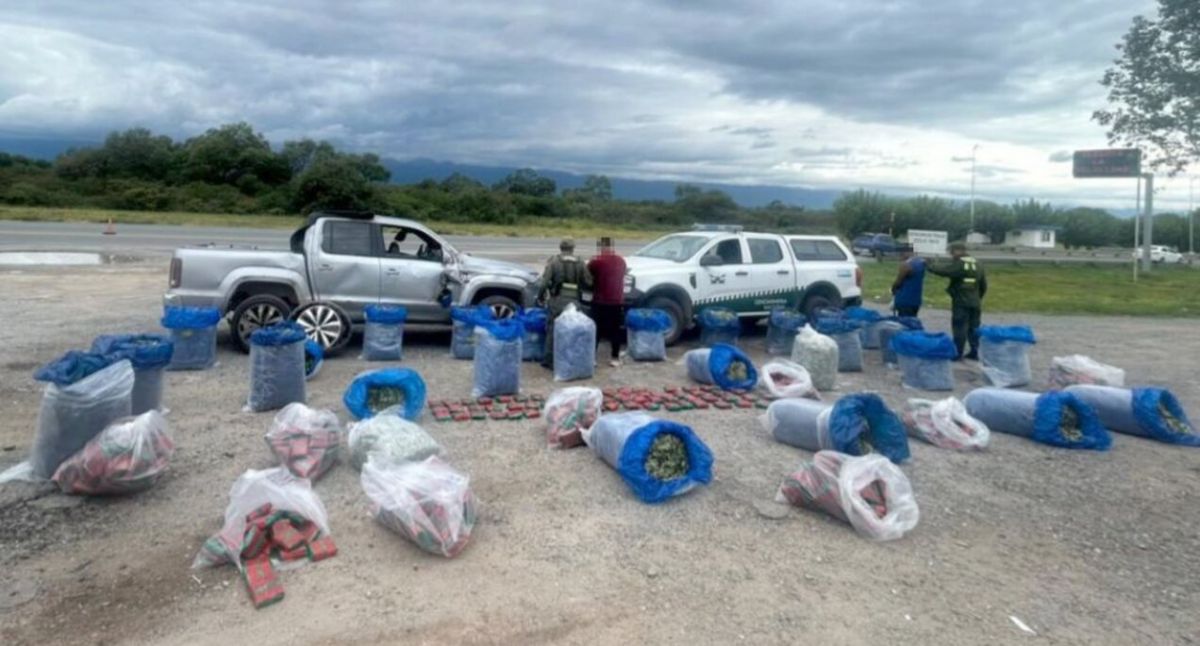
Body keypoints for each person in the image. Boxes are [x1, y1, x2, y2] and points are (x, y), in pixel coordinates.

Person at [537, 237, 593, 369]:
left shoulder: (554, 262)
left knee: (552, 329)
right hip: (574, 301)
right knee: (572, 330)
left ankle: (549, 361)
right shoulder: (580, 263)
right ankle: (569, 358)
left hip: (557, 300)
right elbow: (589, 282)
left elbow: (544, 283)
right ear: (573, 249)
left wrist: (540, 297)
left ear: (560, 248)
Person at [927, 241, 987, 361]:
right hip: (975, 301)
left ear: (958, 250)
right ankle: (975, 351)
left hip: (961, 301)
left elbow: (945, 271)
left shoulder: (960, 264)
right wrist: (977, 298)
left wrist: (930, 266)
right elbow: (983, 285)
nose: (951, 255)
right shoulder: (978, 263)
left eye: (952, 252)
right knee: (974, 327)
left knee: (959, 327)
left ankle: (957, 353)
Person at [587, 236, 627, 367]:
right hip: (617, 301)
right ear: (612, 247)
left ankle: (592, 359)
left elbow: (587, 276)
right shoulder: (621, 261)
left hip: (600, 301)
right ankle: (615, 358)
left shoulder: (596, 261)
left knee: (596, 330)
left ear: (600, 247)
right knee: (615, 330)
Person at [890, 245, 925, 317]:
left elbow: (898, 282)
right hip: (916, 299)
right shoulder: (921, 263)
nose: (900, 256)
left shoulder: (906, 265)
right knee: (912, 320)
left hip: (904, 299)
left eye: (901, 253)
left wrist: (893, 289)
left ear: (907, 253)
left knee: (904, 322)